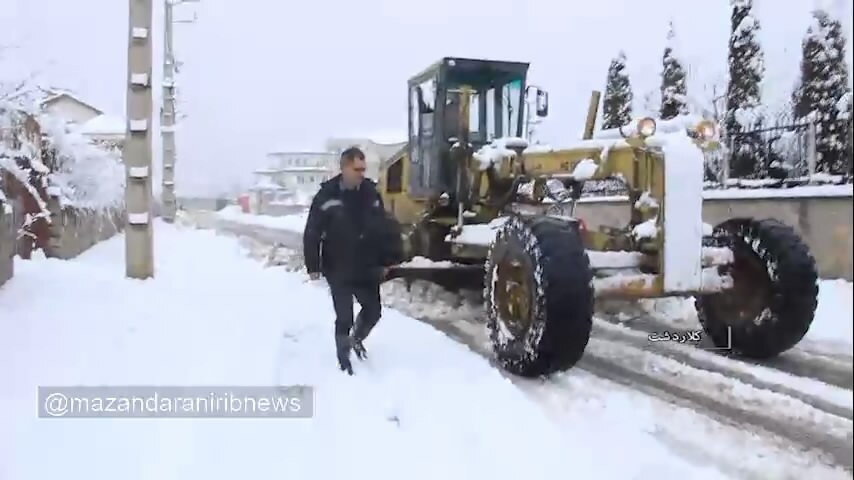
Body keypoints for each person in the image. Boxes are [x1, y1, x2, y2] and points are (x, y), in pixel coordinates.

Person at [302, 146, 401, 375]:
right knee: (344, 316)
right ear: (344, 167)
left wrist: (388, 259)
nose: (361, 173)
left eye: (363, 169)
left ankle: (356, 339)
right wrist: (313, 266)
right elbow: (312, 232)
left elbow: (384, 228)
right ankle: (343, 356)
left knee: (373, 311)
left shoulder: (371, 193)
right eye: (356, 169)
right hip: (338, 266)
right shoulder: (326, 196)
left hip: (366, 265)